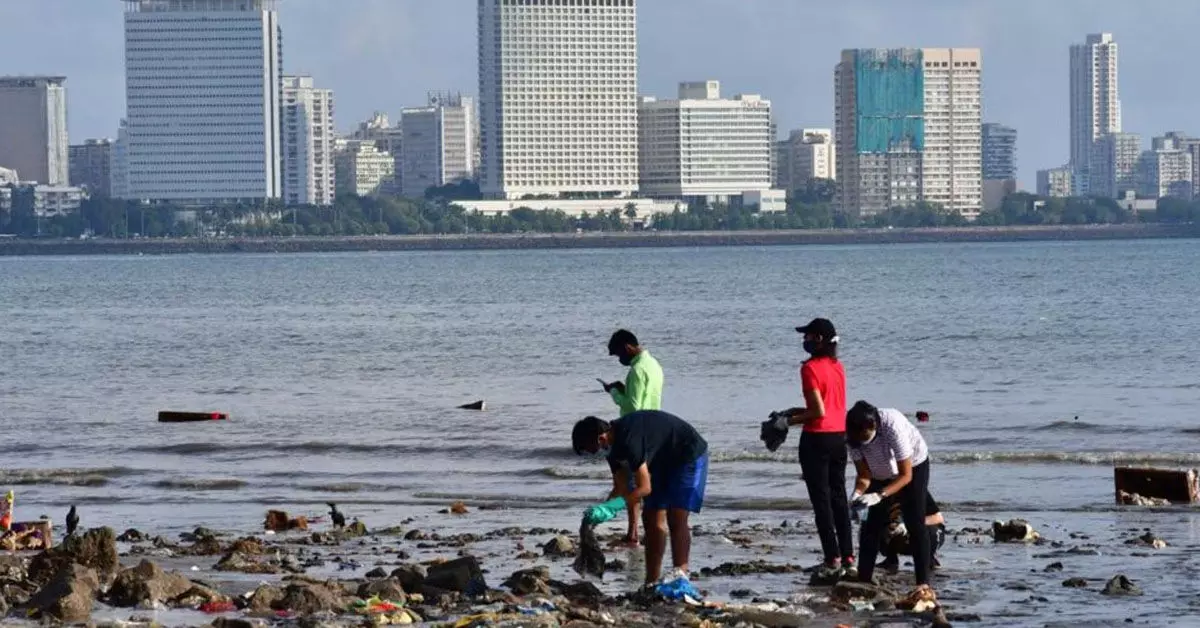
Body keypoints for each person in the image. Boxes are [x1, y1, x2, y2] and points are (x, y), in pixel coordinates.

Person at [572, 411, 709, 587]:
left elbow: (644, 488)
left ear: (600, 438)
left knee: (676, 517)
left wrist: (616, 505)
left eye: (590, 450)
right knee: (650, 518)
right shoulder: (611, 448)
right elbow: (620, 487)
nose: (593, 455)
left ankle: (680, 577)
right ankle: (651, 582)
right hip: (660, 460)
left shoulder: (629, 439)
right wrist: (602, 510)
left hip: (687, 453)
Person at [769, 318, 853, 579]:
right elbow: (830, 406)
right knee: (839, 497)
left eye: (807, 336)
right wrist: (795, 411)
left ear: (818, 339)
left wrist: (786, 422)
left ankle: (831, 559)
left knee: (821, 501)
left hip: (817, 439)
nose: (803, 340)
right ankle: (849, 557)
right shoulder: (838, 366)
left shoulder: (809, 369)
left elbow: (818, 411)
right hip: (839, 437)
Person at [846, 400, 933, 588]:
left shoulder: (892, 424)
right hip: (879, 473)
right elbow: (864, 475)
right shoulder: (852, 437)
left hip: (913, 466)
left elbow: (905, 475)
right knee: (870, 525)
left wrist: (879, 495)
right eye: (857, 439)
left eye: (864, 437)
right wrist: (857, 493)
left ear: (873, 425)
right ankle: (864, 581)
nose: (861, 442)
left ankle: (922, 584)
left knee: (915, 521)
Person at [598, 329, 664, 544]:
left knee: (630, 483)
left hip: (634, 431)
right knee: (642, 482)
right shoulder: (654, 365)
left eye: (619, 354)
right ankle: (638, 531)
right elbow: (645, 398)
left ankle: (632, 532)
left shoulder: (636, 370)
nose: (620, 360)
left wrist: (614, 393)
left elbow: (633, 406)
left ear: (627, 347)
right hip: (653, 428)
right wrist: (624, 389)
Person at [879, 492, 946, 572]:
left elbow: (938, 518)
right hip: (899, 530)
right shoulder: (881, 494)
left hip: (927, 529)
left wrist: (912, 523)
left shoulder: (917, 491)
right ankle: (891, 559)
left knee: (929, 532)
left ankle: (929, 558)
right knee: (876, 528)